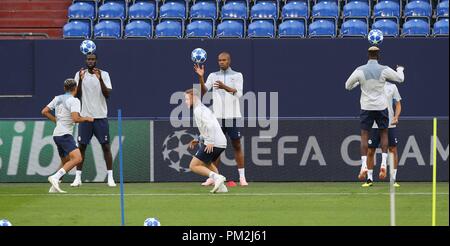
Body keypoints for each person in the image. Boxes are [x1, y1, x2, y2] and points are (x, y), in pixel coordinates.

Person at [345, 46, 405, 183]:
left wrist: (358, 83)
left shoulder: (359, 70)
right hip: (381, 107)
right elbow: (400, 79)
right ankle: (384, 163)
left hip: (366, 107)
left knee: (364, 135)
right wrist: (400, 69)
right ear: (378, 56)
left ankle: (364, 166)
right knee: (384, 133)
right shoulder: (384, 69)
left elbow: (347, 86)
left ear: (368, 55)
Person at [194, 52, 248, 186]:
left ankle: (242, 177)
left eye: (224, 60)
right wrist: (201, 77)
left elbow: (239, 94)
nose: (221, 62)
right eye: (219, 60)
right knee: (215, 148)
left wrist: (224, 87)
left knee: (236, 145)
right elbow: (204, 91)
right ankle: (214, 177)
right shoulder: (213, 75)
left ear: (229, 61)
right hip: (217, 117)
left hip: (233, 116)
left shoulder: (237, 75)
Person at [41, 79, 94, 193]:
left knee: (65, 161)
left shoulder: (57, 98)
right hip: (65, 135)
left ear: (65, 88)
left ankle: (53, 187)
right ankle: (55, 177)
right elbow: (76, 119)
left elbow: (44, 111)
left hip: (57, 134)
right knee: (78, 158)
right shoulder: (74, 101)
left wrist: (57, 121)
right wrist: (87, 118)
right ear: (76, 88)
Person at [72, 53, 115, 187]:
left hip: (101, 117)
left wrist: (100, 79)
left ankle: (110, 178)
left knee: (106, 147)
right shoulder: (80, 74)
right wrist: (79, 80)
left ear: (96, 61)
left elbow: (107, 95)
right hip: (85, 117)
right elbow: (76, 95)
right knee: (82, 147)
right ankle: (78, 178)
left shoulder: (104, 74)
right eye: (88, 59)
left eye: (92, 59)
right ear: (86, 61)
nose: (90, 61)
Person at [185, 89, 228, 193]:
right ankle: (222, 187)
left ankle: (217, 178)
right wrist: (198, 139)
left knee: (193, 166)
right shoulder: (201, 109)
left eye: (187, 99)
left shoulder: (199, 110)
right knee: (207, 163)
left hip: (215, 142)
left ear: (193, 97)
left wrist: (210, 141)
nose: (185, 101)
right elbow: (206, 128)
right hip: (221, 143)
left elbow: (210, 126)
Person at [363, 82, 402, 187]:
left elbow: (398, 104)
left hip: (389, 124)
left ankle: (393, 179)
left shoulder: (392, 87)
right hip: (374, 124)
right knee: (371, 150)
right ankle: (369, 179)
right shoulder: (371, 85)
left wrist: (396, 117)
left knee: (393, 150)